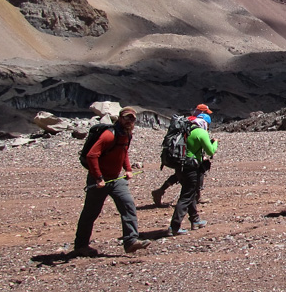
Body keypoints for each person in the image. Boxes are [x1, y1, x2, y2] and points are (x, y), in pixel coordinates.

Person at [73, 107, 150, 256]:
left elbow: (124, 152)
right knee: (90, 213)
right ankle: (80, 245)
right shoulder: (109, 135)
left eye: (132, 118)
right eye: (127, 118)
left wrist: (128, 169)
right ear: (120, 118)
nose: (129, 121)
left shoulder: (127, 135)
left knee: (128, 206)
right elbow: (91, 156)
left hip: (116, 179)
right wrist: (98, 177)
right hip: (100, 180)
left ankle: (130, 242)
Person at [152, 104, 212, 207]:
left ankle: (161, 191)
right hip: (186, 155)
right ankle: (196, 198)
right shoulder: (197, 124)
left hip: (179, 153)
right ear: (202, 113)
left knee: (180, 174)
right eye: (206, 112)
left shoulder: (187, 121)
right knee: (197, 171)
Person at [168, 112, 218, 235]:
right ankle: (174, 227)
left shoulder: (186, 129)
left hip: (180, 166)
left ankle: (195, 220)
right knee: (186, 196)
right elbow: (210, 151)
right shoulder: (201, 132)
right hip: (191, 167)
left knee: (191, 193)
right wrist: (215, 142)